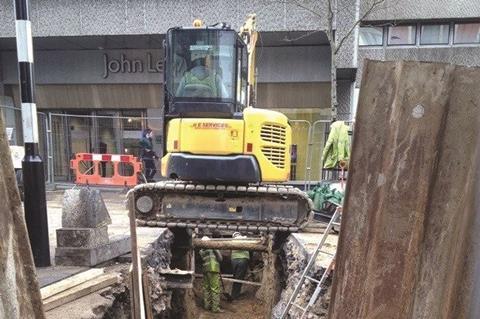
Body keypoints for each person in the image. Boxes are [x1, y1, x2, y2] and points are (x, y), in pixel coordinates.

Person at [199, 236, 224, 313]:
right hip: (213, 269)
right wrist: (215, 249)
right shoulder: (213, 248)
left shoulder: (201, 251)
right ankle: (215, 308)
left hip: (205, 270)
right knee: (215, 288)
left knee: (206, 288)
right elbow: (220, 259)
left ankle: (207, 306)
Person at [230, 232, 250, 299]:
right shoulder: (244, 238)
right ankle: (235, 295)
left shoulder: (232, 240)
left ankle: (233, 294)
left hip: (234, 260)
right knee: (239, 277)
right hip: (243, 259)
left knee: (235, 276)